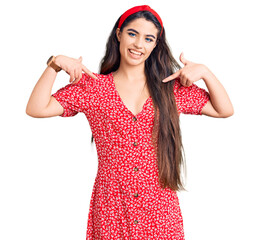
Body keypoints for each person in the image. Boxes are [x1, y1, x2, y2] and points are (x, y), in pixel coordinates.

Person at [26, 5, 233, 240]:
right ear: (119, 34)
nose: (138, 45)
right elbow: (36, 108)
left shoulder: (169, 88)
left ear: (155, 44)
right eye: (132, 34)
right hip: (111, 208)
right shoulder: (94, 87)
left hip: (160, 209)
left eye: (148, 38)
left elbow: (223, 109)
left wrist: (206, 72)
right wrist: (54, 64)